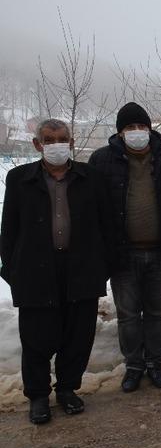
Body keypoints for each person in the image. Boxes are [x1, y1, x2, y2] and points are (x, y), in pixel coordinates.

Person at [1, 119, 113, 424]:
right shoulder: (19, 179)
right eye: (49, 139)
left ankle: (66, 389)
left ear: (72, 142)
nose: (56, 144)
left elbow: (107, 227)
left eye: (62, 138)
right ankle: (38, 396)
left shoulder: (91, 178)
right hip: (35, 272)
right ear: (38, 145)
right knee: (36, 337)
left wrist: (101, 267)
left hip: (82, 269)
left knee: (78, 335)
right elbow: (9, 231)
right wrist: (12, 270)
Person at [88, 102, 161, 393]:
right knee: (128, 315)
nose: (137, 132)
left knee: (156, 312)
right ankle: (133, 366)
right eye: (130, 128)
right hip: (122, 253)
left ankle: (155, 363)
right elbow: (93, 208)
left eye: (142, 126)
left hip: (160, 251)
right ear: (120, 133)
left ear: (150, 129)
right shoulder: (101, 161)